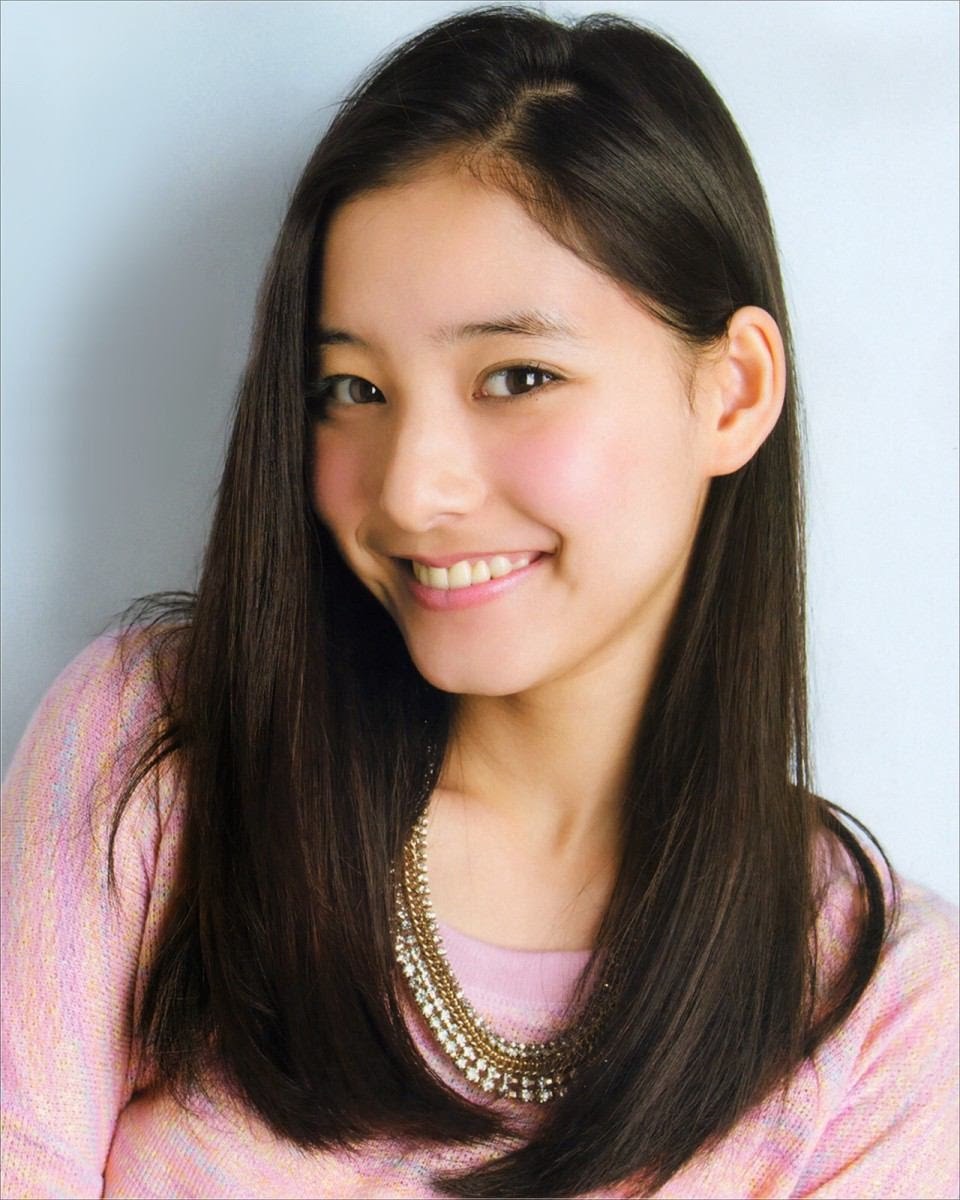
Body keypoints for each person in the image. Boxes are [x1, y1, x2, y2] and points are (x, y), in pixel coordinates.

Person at [1, 6, 957, 1198]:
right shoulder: (158, 754)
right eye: (352, 388)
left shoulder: (881, 1016)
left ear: (733, 393)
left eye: (517, 376)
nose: (411, 488)